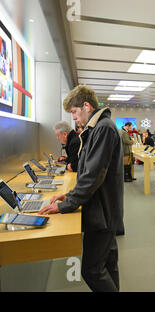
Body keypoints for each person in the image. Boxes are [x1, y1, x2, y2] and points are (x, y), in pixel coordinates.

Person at [39, 85, 124, 292]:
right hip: (106, 208)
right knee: (108, 263)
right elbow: (90, 173)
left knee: (92, 270)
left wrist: (66, 204)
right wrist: (68, 195)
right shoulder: (98, 128)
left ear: (86, 106)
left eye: (75, 113)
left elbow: (92, 176)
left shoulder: (102, 128)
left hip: (102, 212)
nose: (74, 119)